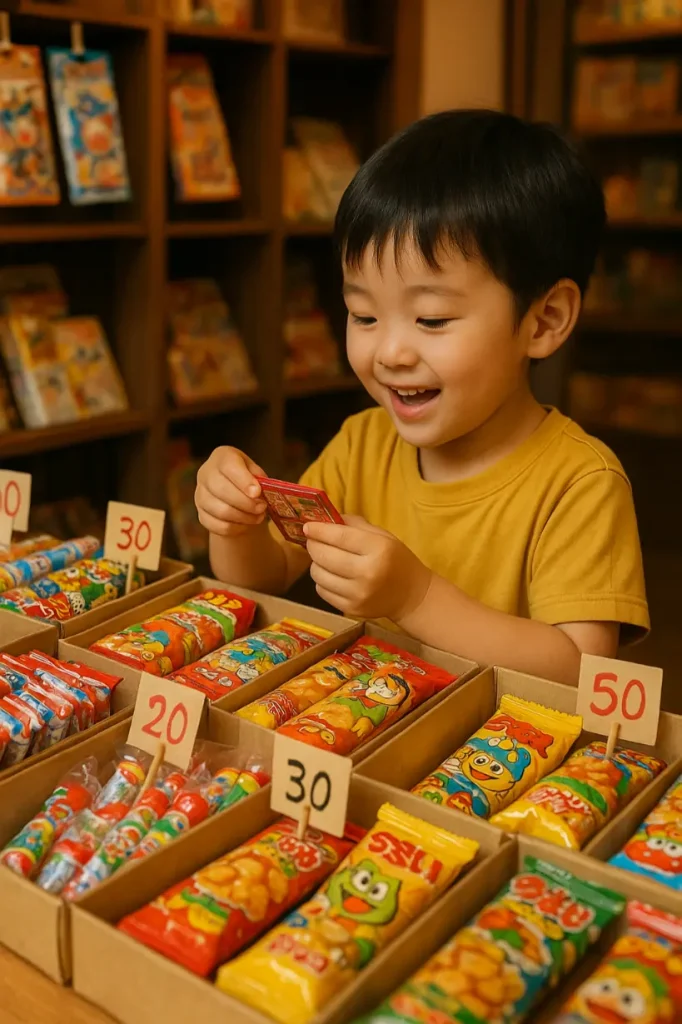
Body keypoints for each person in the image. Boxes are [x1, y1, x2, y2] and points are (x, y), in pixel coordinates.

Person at [195, 109, 648, 685]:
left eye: (431, 319)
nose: (389, 353)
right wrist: (233, 525)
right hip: (362, 725)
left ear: (544, 321)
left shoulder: (580, 483)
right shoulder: (362, 442)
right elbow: (261, 579)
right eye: (363, 314)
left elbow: (584, 670)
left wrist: (415, 596)